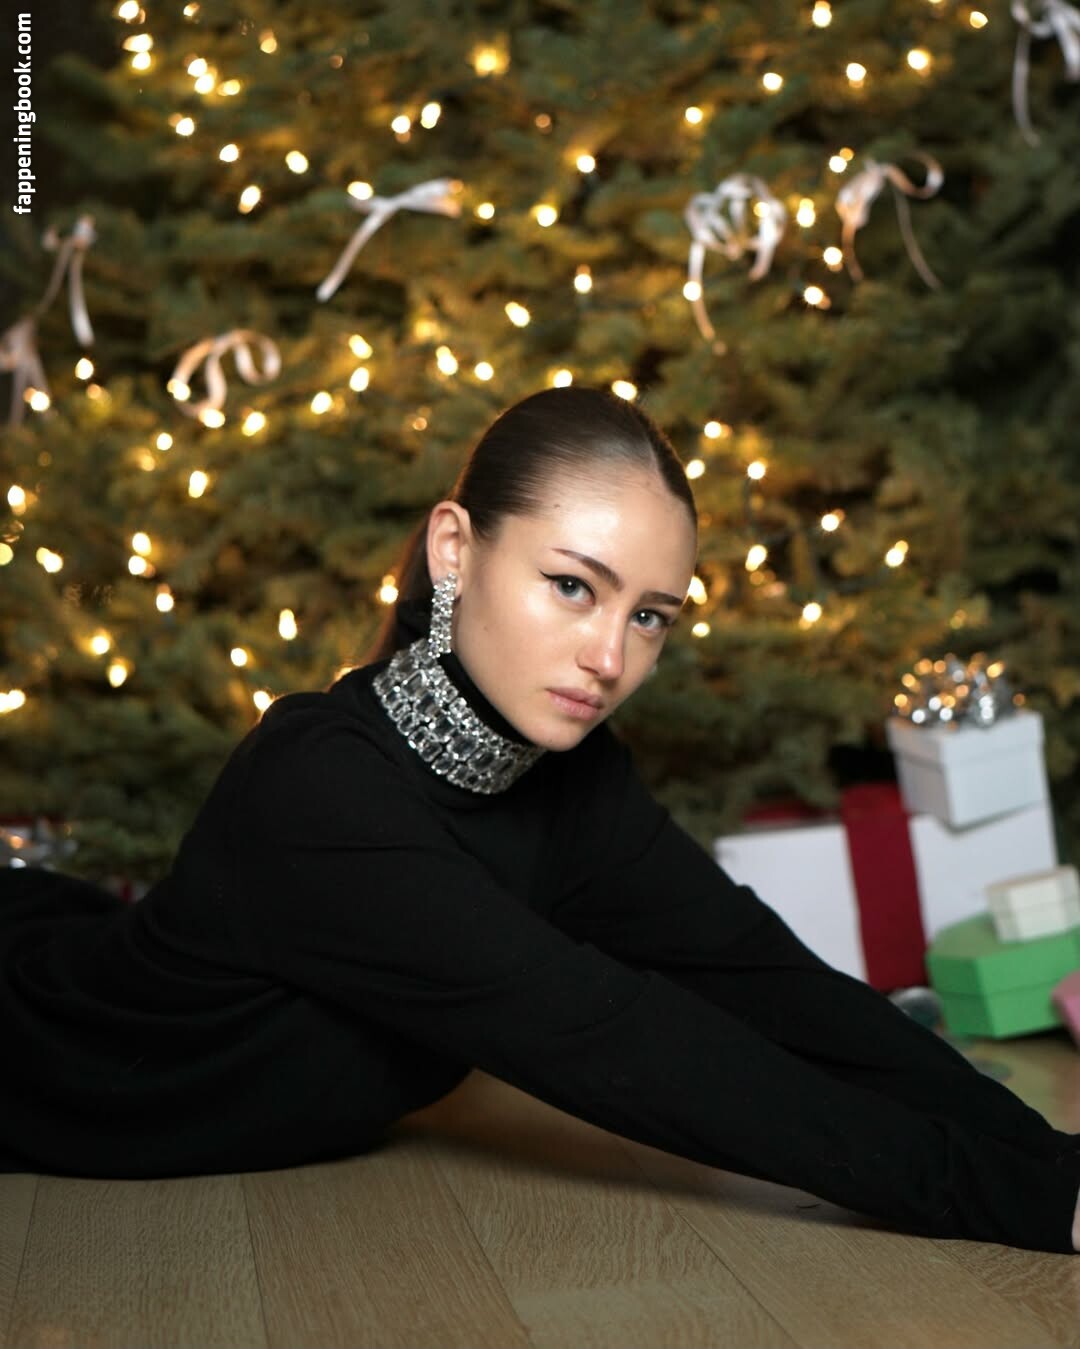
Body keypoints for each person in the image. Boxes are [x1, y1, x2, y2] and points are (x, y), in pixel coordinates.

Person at [2, 385, 1079, 1255]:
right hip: (47, 1064)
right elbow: (624, 1040)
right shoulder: (320, 791)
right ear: (454, 549)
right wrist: (1020, 1200)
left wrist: (1049, 1159)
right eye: (572, 585)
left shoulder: (572, 781)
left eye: (649, 615)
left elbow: (770, 982)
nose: (610, 657)